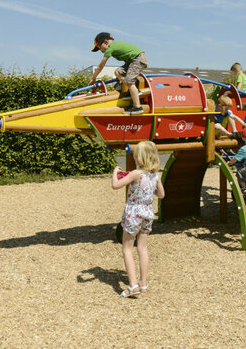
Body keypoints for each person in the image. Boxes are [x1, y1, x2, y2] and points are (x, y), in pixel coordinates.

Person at [111, 141, 165, 298]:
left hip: (134, 213)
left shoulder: (136, 174)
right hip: (147, 213)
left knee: (127, 248)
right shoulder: (155, 175)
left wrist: (115, 172)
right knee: (143, 248)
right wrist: (148, 191)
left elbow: (116, 185)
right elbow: (161, 195)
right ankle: (143, 284)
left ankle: (133, 285)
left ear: (140, 158)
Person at [91, 32, 148, 114]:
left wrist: (93, 78)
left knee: (129, 81)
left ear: (105, 42)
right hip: (132, 61)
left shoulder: (110, 48)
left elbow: (100, 66)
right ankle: (134, 90)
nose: (100, 50)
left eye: (99, 47)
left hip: (138, 59)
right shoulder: (114, 46)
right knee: (118, 72)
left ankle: (138, 107)